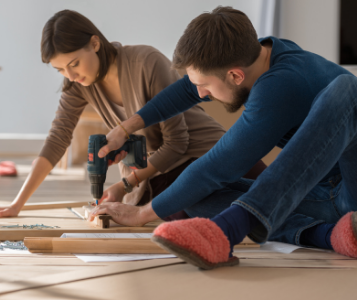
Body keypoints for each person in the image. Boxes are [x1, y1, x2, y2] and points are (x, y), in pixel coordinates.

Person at [91, 6, 357, 269]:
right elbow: (185, 90)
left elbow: (220, 166)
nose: (201, 94)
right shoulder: (262, 52)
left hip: (349, 188)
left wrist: (141, 213)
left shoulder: (279, 86)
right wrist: (125, 129)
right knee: (195, 198)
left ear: (235, 75)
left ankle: (228, 230)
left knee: (348, 89)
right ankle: (333, 235)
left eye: (204, 86)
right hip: (323, 194)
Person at [0, 10, 265, 219]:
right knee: (178, 212)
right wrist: (17, 204)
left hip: (208, 154)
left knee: (275, 197)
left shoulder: (146, 62)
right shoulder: (78, 86)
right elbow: (57, 140)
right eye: (60, 70)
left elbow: (178, 143)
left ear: (95, 44)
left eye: (74, 64)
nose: (70, 75)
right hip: (159, 173)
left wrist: (124, 185)